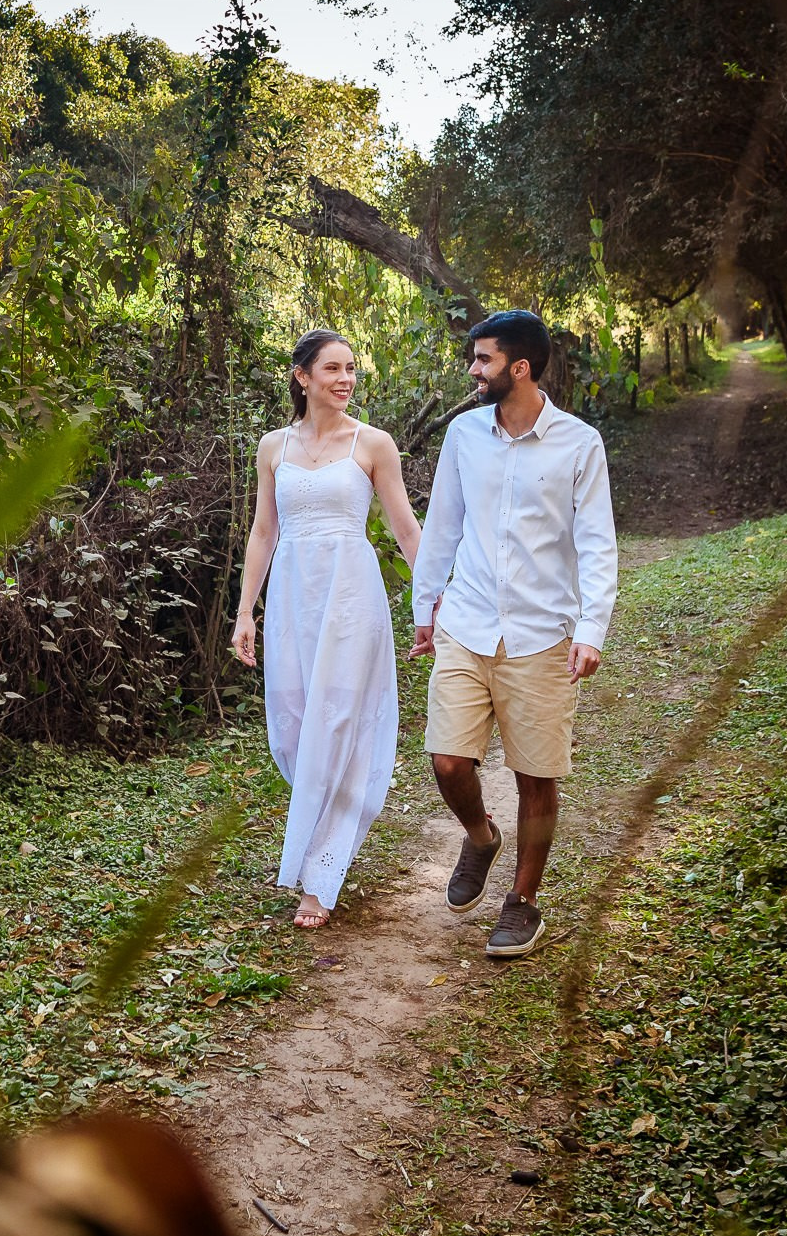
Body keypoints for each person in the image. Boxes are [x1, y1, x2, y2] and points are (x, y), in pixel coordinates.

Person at [410, 310, 617, 957]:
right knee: (447, 759)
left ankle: (522, 901)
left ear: (519, 368)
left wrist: (591, 628)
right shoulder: (464, 435)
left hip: (541, 635)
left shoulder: (580, 444)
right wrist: (424, 606)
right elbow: (442, 524)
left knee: (536, 777)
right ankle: (479, 835)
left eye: (483, 360)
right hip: (467, 623)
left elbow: (597, 545)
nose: (473, 370)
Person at [232, 329, 422, 929]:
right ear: (302, 376)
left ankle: (320, 875)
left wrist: (434, 603)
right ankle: (318, 831)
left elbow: (405, 530)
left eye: (351, 370)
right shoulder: (272, 447)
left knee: (338, 725)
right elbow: (264, 532)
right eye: (333, 369)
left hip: (350, 598)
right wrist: (246, 611)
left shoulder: (374, 444)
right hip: (293, 598)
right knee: (293, 729)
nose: (345, 380)